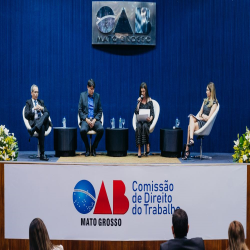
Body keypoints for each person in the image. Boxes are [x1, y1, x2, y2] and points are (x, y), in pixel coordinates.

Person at [183, 82, 218, 160]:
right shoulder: (205, 101)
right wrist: (202, 116)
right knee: (191, 117)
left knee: (189, 127)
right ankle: (191, 141)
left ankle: (187, 150)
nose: (206, 92)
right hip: (201, 119)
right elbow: (200, 112)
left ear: (211, 92)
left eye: (207, 90)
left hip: (205, 124)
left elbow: (209, 118)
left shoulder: (214, 103)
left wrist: (202, 117)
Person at [25, 85, 52, 161]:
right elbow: (26, 114)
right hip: (35, 122)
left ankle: (33, 129)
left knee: (46, 114)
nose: (36, 94)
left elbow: (47, 113)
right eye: (35, 92)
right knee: (42, 126)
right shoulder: (28, 102)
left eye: (37, 92)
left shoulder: (41, 102)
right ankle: (42, 154)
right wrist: (34, 109)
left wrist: (42, 108)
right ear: (31, 93)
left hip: (42, 121)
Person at [78, 79, 104, 156]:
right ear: (87, 87)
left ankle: (93, 148)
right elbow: (80, 110)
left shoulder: (97, 96)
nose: (92, 91)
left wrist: (95, 119)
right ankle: (87, 148)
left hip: (95, 120)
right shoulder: (82, 96)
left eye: (93, 89)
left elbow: (100, 111)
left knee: (101, 130)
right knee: (82, 130)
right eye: (90, 89)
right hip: (86, 120)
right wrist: (86, 119)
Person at [134, 82, 154, 158]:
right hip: (140, 120)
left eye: (144, 91)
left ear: (146, 91)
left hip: (147, 121)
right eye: (141, 91)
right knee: (139, 126)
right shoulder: (139, 100)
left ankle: (147, 143)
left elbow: (152, 113)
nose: (142, 93)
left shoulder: (149, 100)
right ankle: (139, 149)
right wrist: (139, 103)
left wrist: (150, 119)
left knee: (145, 126)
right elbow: (136, 112)